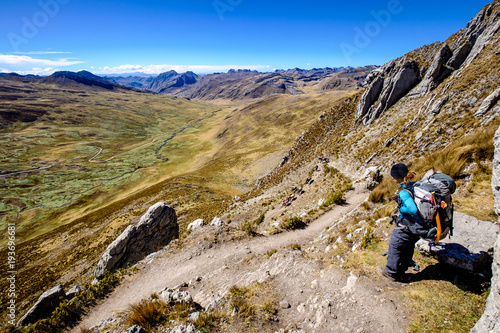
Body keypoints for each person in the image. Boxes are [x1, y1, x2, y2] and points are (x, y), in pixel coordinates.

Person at [380, 163, 421, 282]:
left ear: (397, 177)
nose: (392, 178)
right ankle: (401, 273)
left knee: (395, 246)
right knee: (408, 248)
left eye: (393, 176)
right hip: (417, 226)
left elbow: (412, 209)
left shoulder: (404, 192)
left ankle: (390, 273)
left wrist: (401, 207)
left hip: (407, 225)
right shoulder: (414, 185)